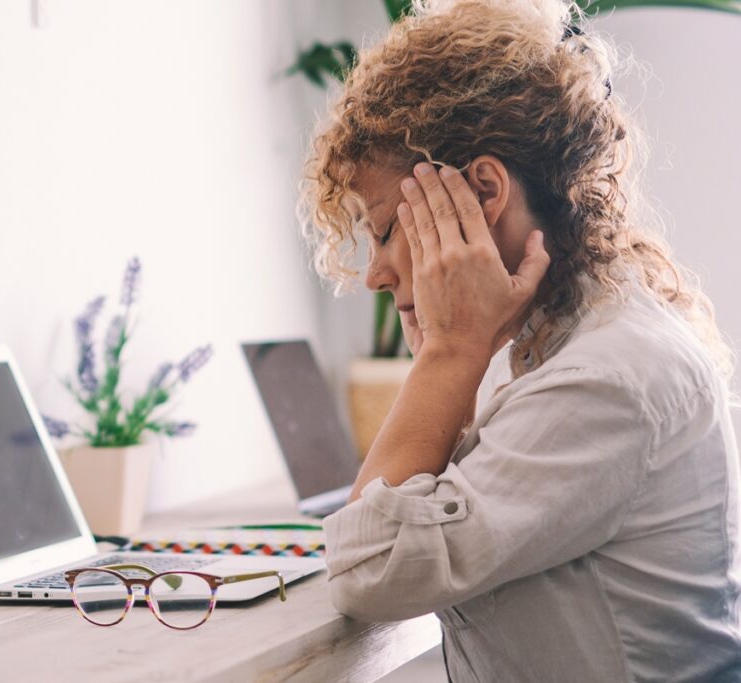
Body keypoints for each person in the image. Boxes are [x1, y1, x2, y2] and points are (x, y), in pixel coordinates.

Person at [300, 0, 741, 680]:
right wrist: (443, 354)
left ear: (483, 192)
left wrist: (447, 355)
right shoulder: (556, 340)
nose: (376, 273)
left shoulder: (606, 375)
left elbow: (369, 567)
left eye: (385, 229)